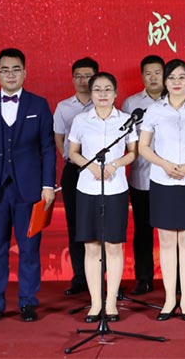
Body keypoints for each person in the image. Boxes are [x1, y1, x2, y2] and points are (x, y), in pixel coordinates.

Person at [0, 48, 56, 323]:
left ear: (25, 72)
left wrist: (48, 185)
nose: (11, 75)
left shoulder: (39, 105)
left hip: (30, 189)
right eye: (5, 70)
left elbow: (48, 148)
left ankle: (28, 302)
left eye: (16, 69)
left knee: (29, 249)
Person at [138, 59, 185, 322]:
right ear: (165, 82)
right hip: (163, 180)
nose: (177, 82)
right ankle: (169, 299)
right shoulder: (154, 111)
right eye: (172, 78)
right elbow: (143, 147)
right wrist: (164, 164)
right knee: (167, 241)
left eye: (182, 77)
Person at [68, 72, 137, 323]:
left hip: (116, 188)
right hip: (87, 188)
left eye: (108, 89)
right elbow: (73, 152)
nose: (103, 94)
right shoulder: (81, 120)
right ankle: (96, 302)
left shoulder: (127, 120)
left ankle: (111, 303)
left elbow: (133, 152)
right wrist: (90, 166)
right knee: (92, 245)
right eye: (97, 90)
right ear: (91, 94)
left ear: (116, 93)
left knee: (114, 245)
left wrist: (115, 164)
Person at [53, 56, 99, 296]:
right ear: (72, 79)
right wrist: (68, 156)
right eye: (78, 76)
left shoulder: (104, 102)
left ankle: (102, 278)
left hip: (99, 172)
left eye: (88, 76)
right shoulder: (64, 107)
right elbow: (59, 136)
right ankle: (80, 277)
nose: (83, 81)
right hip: (74, 170)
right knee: (75, 224)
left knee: (100, 225)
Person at [121, 54, 165, 295]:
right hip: (142, 178)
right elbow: (125, 141)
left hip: (172, 177)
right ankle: (144, 278)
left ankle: (176, 278)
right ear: (142, 76)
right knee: (143, 231)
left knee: (173, 231)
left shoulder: (176, 99)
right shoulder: (131, 104)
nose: (153, 77)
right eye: (148, 73)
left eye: (157, 72)